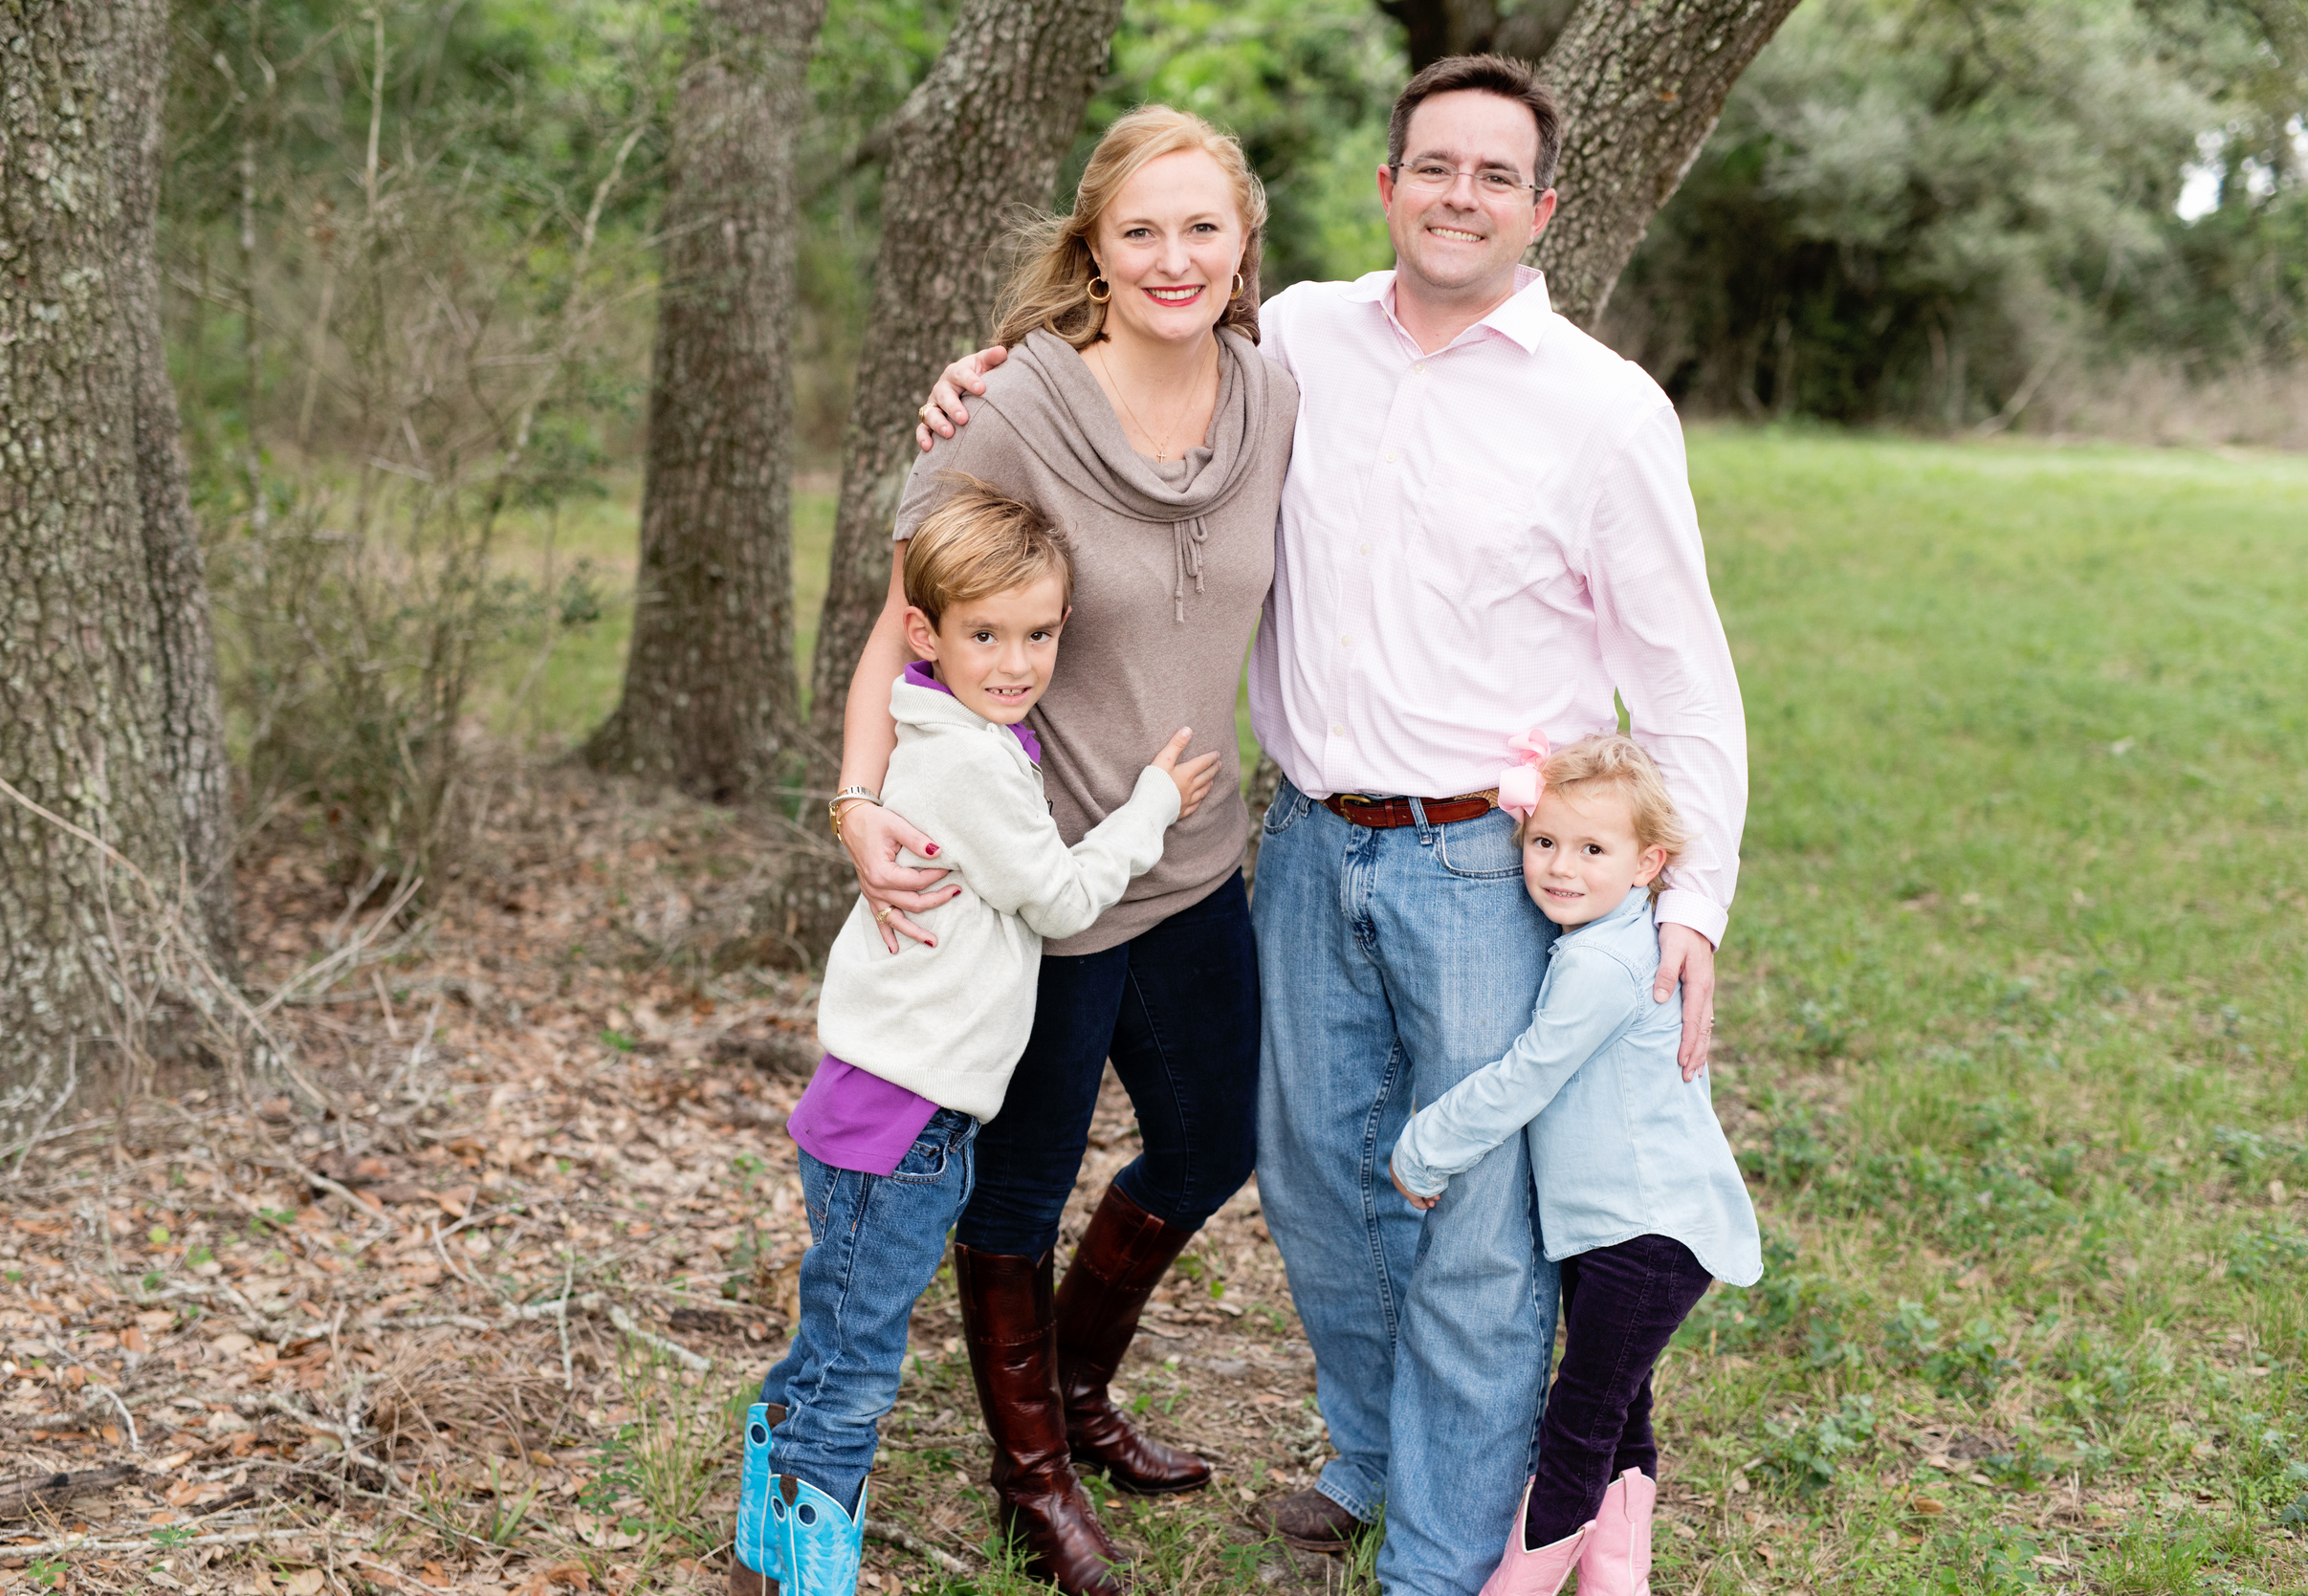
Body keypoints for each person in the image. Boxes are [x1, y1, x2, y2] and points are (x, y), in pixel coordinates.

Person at [917, 55, 1747, 1596]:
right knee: (1319, 1183)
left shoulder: (1605, 410)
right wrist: (982, 378)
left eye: (1496, 176)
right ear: (1386, 186)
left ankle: (1437, 1553)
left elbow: (1686, 684)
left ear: (1543, 206)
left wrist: (1688, 904)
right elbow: (1121, 373)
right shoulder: (1294, 338)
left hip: (1490, 867)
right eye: (1434, 166)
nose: (1460, 196)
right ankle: (1372, 1455)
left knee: (1482, 1221)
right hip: (1302, 840)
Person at [828, 106, 1299, 1594]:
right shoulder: (1016, 406)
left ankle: (1078, 1390)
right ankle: (1029, 1475)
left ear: (1243, 247)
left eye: (1202, 228)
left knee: (1217, 1137)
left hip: (1193, 860)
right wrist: (854, 805)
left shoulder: (1277, 395)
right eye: (1142, 228)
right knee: (1019, 1194)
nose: (1174, 257)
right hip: (1036, 895)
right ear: (1093, 243)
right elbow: (899, 621)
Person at [736, 483, 1216, 1596]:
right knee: (857, 1364)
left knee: (837, 1336)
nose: (1016, 661)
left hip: (887, 1109)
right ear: (924, 634)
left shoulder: (954, 723)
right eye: (985, 634)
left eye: (1038, 633)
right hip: (899, 1124)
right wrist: (1147, 806)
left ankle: (769, 1530)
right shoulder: (962, 758)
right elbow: (1057, 899)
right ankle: (806, 1571)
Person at [1384, 734, 1761, 1596]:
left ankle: (1515, 1585)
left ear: (1648, 863)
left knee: (1578, 1427)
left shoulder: (1602, 963)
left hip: (1649, 1235)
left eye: (1594, 849)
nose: (1560, 867)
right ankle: (1616, 1582)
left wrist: (1426, 1145)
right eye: (1545, 841)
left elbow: (1527, 1075)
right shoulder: (1604, 937)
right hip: (1615, 1230)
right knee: (1622, 1415)